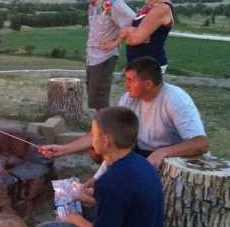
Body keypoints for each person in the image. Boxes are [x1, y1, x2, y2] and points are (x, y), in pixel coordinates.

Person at [40, 56, 209, 169]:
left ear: (148, 84)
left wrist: (162, 152)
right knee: (98, 152)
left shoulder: (176, 100)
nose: (126, 85)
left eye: (130, 80)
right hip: (141, 152)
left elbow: (201, 143)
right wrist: (63, 149)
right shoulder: (129, 99)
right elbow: (105, 132)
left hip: (171, 159)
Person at [100, 0, 174, 74]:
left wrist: (129, 31)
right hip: (139, 65)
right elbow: (135, 35)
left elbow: (134, 39)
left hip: (149, 69)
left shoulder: (161, 8)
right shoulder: (150, 7)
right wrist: (131, 32)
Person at [83, 0, 135, 110]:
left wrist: (116, 42)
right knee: (93, 97)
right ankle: (101, 128)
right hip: (92, 57)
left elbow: (133, 21)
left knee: (100, 99)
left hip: (105, 57)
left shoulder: (112, 3)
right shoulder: (92, 7)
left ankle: (106, 129)